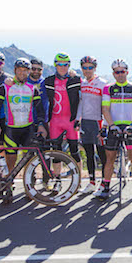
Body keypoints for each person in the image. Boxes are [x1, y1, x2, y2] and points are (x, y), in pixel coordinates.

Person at [94, 59, 132, 200]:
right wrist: (111, 125)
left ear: (127, 72)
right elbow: (105, 109)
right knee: (110, 159)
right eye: (117, 72)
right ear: (113, 74)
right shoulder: (108, 88)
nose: (120, 74)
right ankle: (106, 187)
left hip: (129, 126)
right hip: (113, 125)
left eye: (122, 71)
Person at [0, 58, 46, 173]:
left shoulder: (33, 89)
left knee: (29, 160)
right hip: (11, 129)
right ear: (15, 70)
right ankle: (9, 181)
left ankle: (30, 181)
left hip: (28, 129)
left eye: (25, 70)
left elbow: (40, 109)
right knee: (11, 160)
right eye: (19, 70)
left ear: (29, 71)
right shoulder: (5, 87)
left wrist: (41, 124)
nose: (22, 73)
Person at [43, 53, 82, 190]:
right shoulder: (48, 81)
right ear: (55, 65)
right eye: (59, 64)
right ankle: (58, 181)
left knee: (74, 152)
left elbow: (85, 97)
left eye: (65, 64)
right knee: (56, 152)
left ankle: (78, 181)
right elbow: (36, 90)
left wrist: (79, 118)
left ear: (69, 65)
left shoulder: (75, 79)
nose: (62, 67)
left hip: (71, 121)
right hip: (55, 121)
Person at [77, 55, 108, 195]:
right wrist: (77, 119)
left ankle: (104, 183)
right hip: (85, 122)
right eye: (85, 68)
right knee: (89, 154)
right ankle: (91, 183)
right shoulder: (82, 83)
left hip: (98, 122)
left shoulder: (102, 83)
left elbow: (107, 106)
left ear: (95, 68)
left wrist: (105, 124)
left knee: (102, 155)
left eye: (90, 67)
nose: (87, 70)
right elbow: (80, 103)